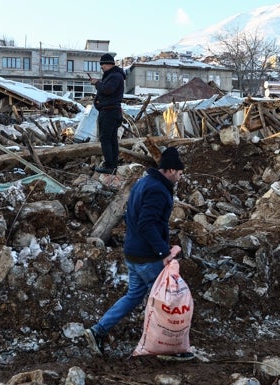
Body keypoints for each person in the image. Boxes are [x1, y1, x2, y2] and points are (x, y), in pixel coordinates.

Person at [83, 147, 193, 361]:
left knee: (133, 295)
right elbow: (146, 224)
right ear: (170, 170)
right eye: (179, 173)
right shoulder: (157, 190)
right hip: (148, 257)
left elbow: (131, 217)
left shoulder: (143, 183)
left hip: (133, 253)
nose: (180, 178)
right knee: (165, 303)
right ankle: (167, 347)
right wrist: (163, 251)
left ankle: (98, 330)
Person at [90, 53, 126, 174]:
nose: (102, 67)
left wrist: (97, 83)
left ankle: (109, 166)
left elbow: (107, 90)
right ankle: (112, 165)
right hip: (112, 111)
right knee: (111, 139)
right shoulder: (115, 76)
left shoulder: (115, 76)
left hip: (109, 112)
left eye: (103, 64)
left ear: (108, 64)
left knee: (106, 139)